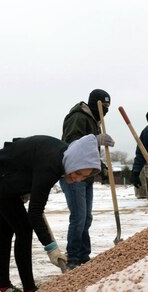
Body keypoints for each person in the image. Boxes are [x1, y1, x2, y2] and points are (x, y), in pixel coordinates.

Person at [0, 133, 114, 292]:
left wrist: (96, 139)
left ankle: (3, 287)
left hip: (9, 173)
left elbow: (83, 144)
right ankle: (29, 290)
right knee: (23, 229)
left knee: (7, 230)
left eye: (84, 176)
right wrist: (51, 248)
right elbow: (35, 213)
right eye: (79, 173)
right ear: (74, 163)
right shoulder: (51, 166)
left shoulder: (68, 154)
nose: (78, 179)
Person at [59, 89, 110, 270]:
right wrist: (96, 140)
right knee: (79, 217)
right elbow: (73, 144)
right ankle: (73, 257)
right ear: (94, 103)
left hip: (86, 176)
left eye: (108, 107)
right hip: (73, 175)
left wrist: (101, 168)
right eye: (103, 106)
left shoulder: (92, 120)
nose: (106, 110)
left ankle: (83, 255)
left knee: (86, 217)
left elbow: (88, 154)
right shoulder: (78, 117)